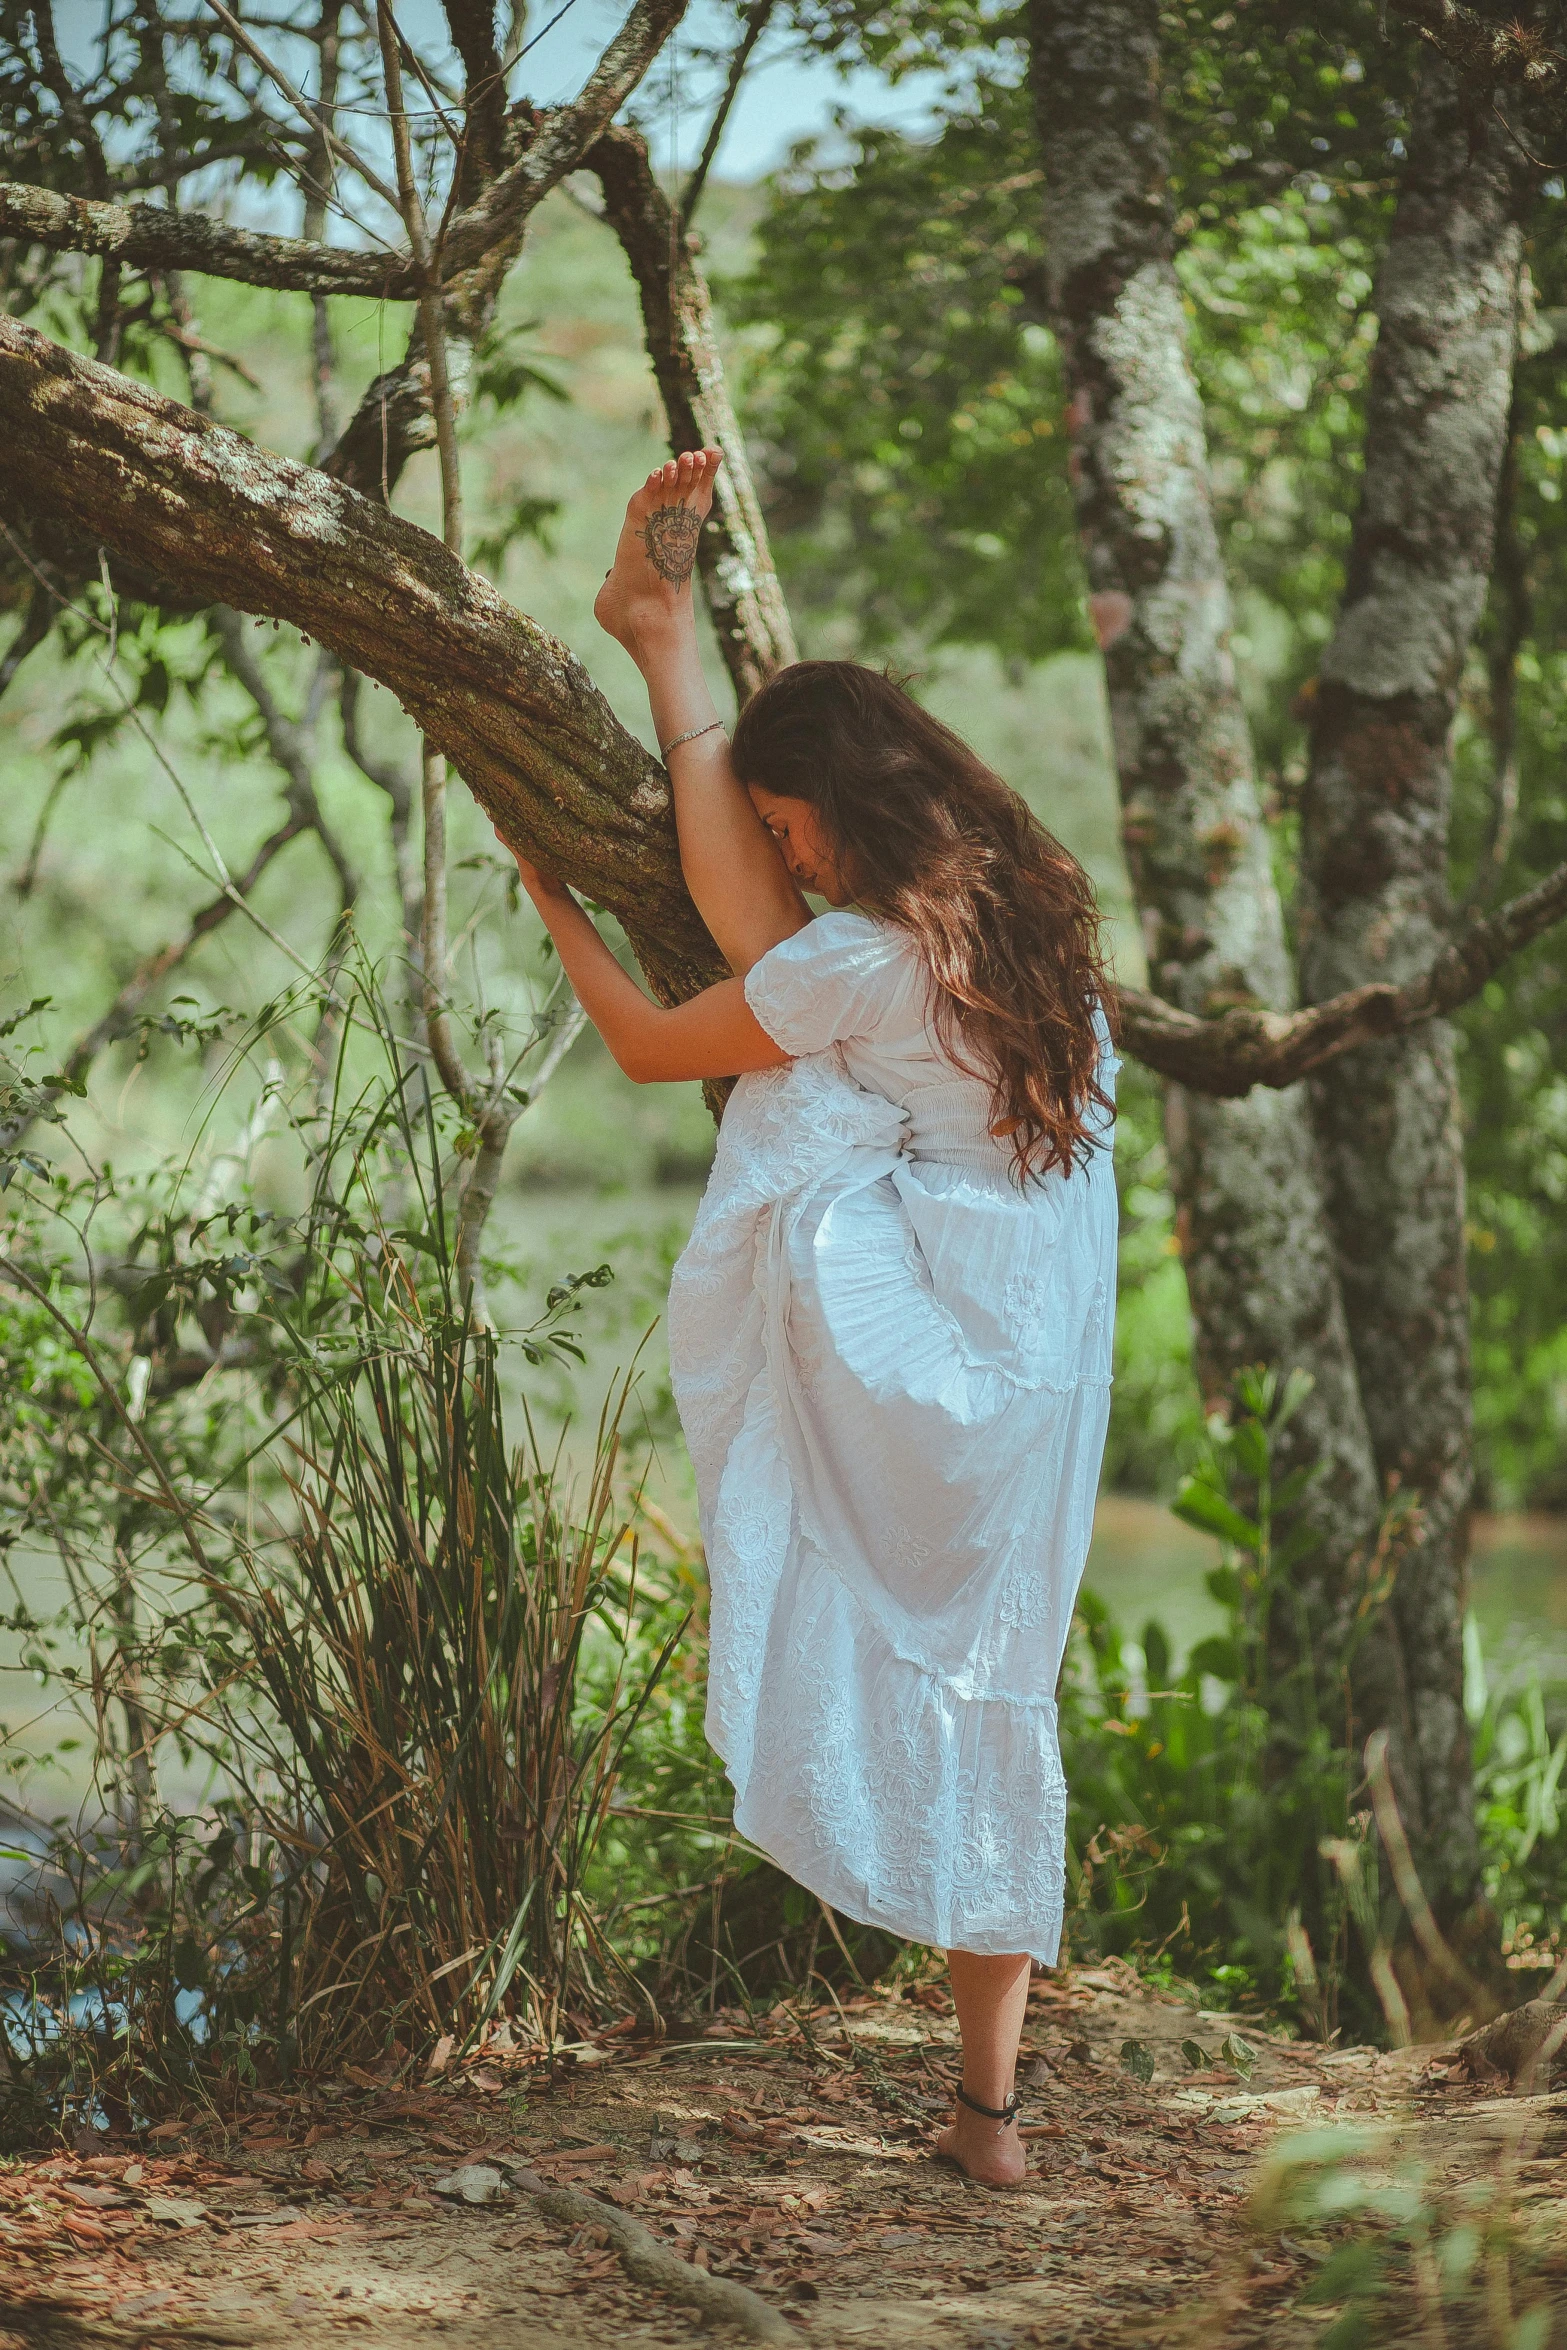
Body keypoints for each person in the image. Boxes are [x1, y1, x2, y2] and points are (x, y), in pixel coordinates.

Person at [502, 449, 1119, 2188]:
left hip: (938, 1336)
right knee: (1004, 1678)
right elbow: (785, 950)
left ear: (842, 803)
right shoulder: (1029, 901)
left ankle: (662, 640)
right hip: (1041, 1351)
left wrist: (553, 896)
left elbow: (650, 1040)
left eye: (786, 826)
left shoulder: (863, 955)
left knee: (796, 1082)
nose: (782, 854)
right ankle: (983, 2118)